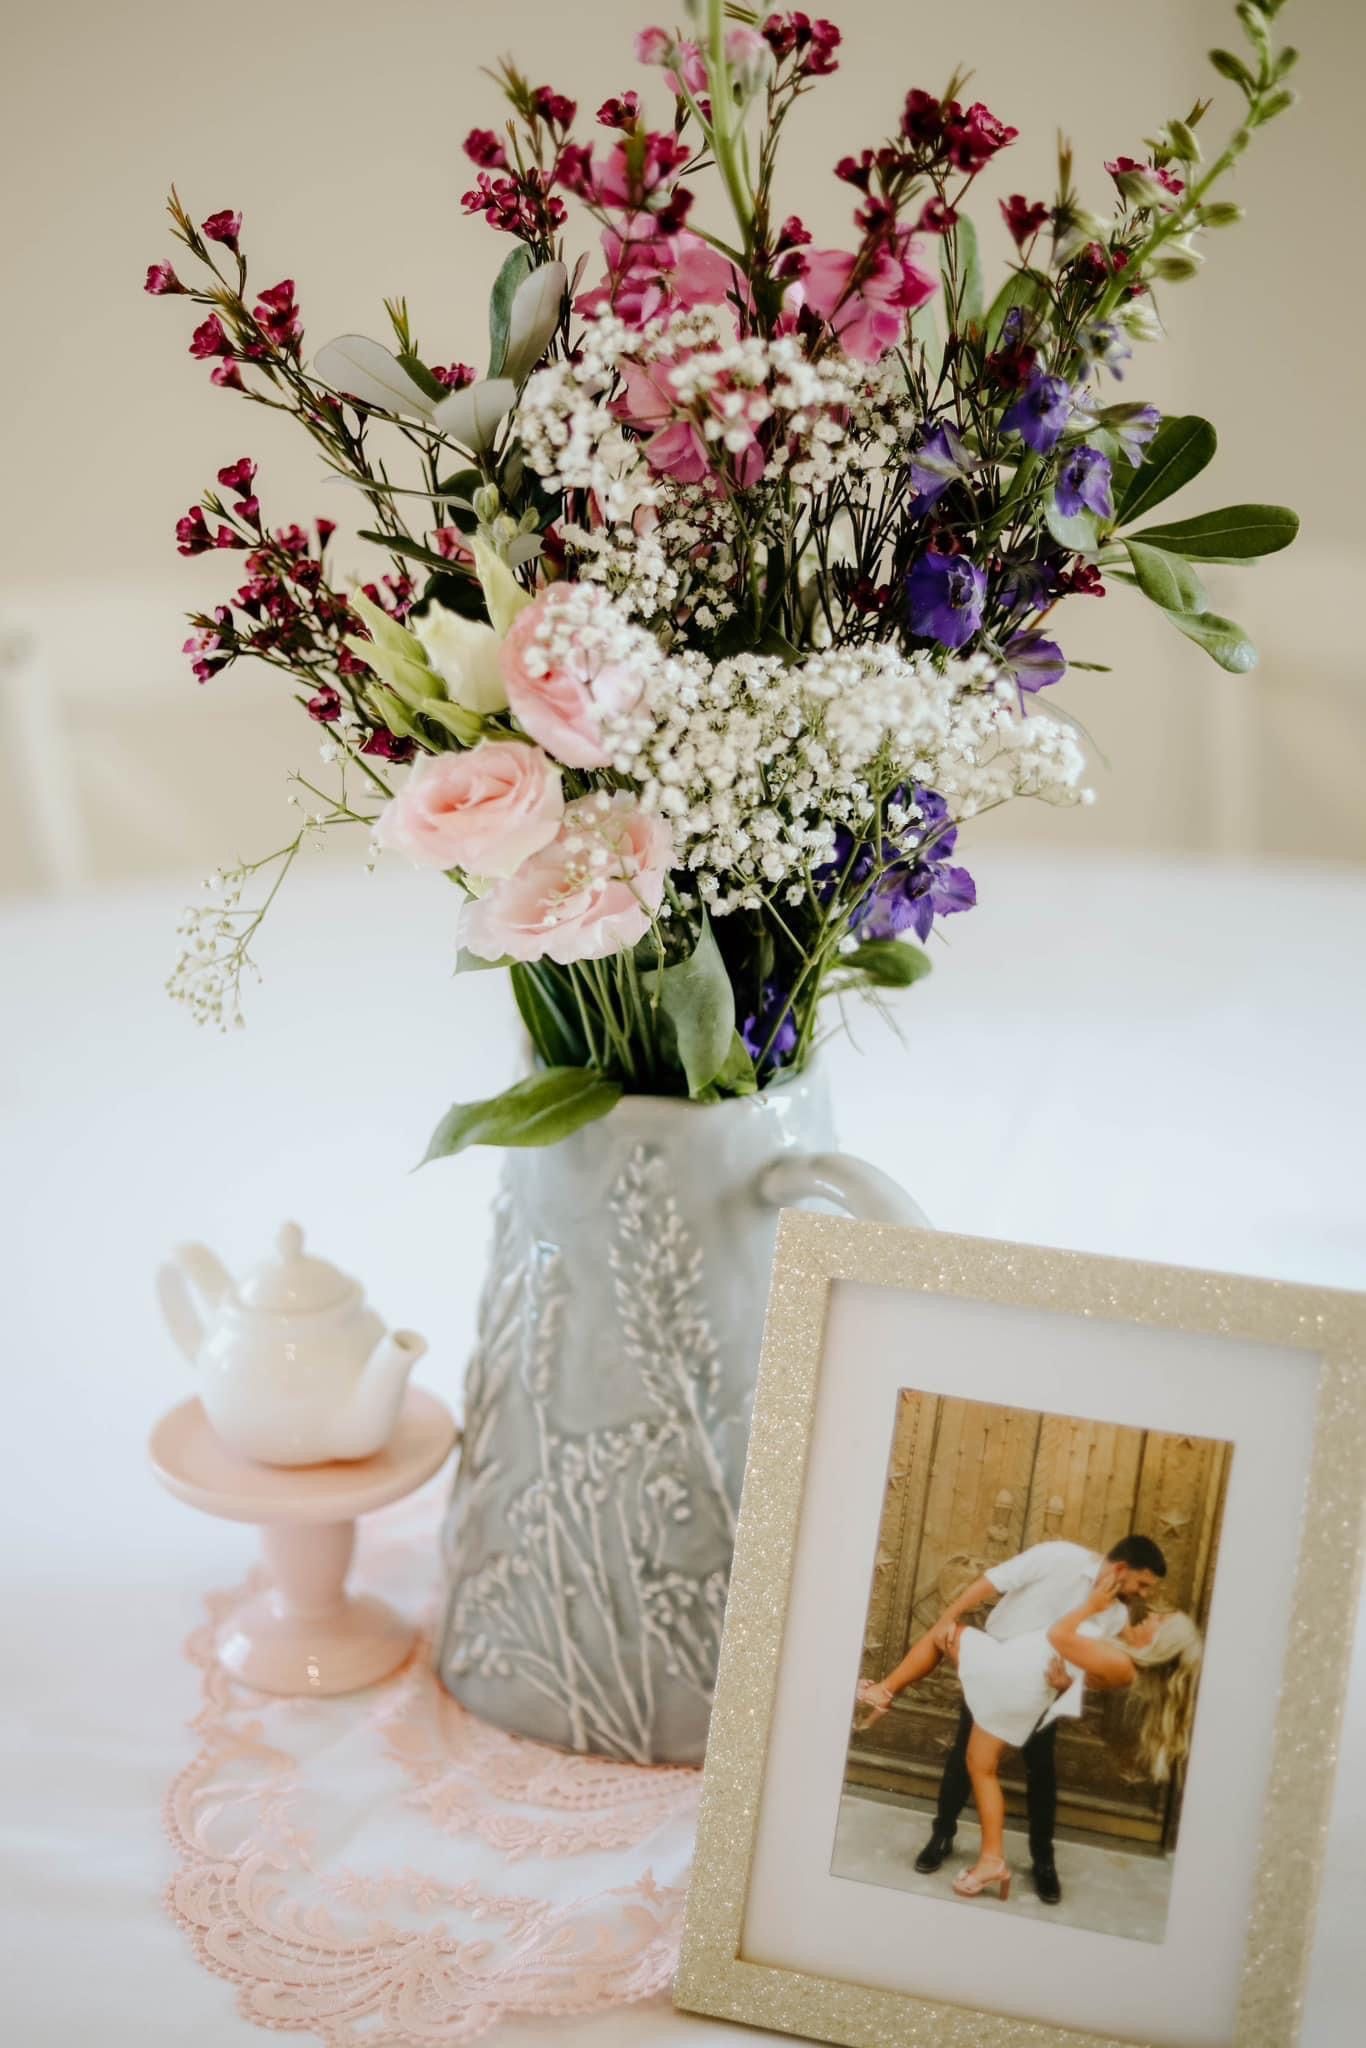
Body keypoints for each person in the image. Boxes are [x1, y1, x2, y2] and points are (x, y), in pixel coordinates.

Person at [856, 1534, 1177, 1906]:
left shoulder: (1115, 1615)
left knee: (1034, 1771)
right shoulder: (1060, 1557)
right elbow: (992, 1581)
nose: (1143, 1595)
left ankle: (1042, 1862)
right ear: (1121, 1568)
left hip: (1031, 1688)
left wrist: (1067, 1682)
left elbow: (1089, 1663)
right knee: (971, 1760)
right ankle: (946, 1838)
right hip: (994, 1661)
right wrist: (947, 1617)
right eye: (1142, 1584)